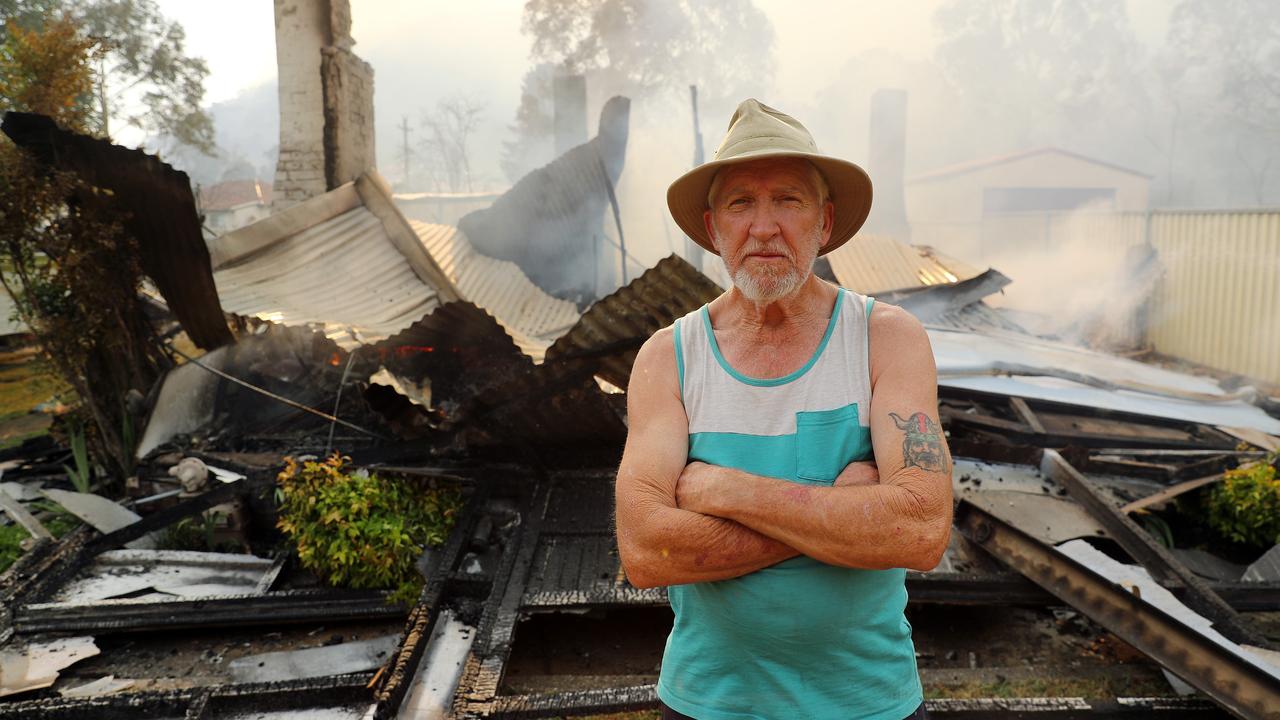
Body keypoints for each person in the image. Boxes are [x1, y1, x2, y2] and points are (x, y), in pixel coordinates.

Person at [614, 99, 953, 720]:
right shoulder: (668, 358)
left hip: (867, 704)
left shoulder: (887, 339)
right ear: (714, 228)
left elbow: (921, 531)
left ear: (824, 222)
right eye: (741, 203)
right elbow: (645, 552)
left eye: (788, 200)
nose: (764, 226)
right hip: (706, 703)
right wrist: (844, 508)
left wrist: (725, 489)